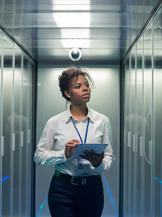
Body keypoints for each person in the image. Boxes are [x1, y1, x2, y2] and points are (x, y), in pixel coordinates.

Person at [34, 67, 115, 217]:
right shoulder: (54, 122)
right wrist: (63, 154)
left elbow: (110, 156)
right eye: (78, 86)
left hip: (92, 188)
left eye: (86, 85)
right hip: (62, 189)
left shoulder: (102, 121)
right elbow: (39, 157)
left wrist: (99, 163)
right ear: (67, 93)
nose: (85, 89)